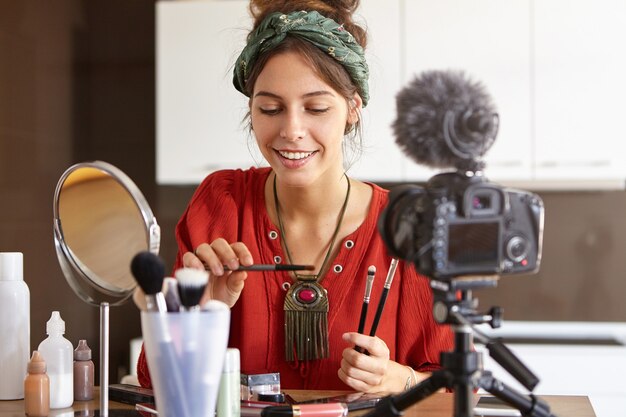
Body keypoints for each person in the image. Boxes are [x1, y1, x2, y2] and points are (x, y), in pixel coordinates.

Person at [137, 0, 453, 393]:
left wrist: (402, 381)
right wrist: (201, 316)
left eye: (316, 107)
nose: (292, 130)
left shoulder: (410, 228)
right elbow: (154, 383)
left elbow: (458, 394)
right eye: (270, 108)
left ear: (352, 108)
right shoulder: (221, 204)